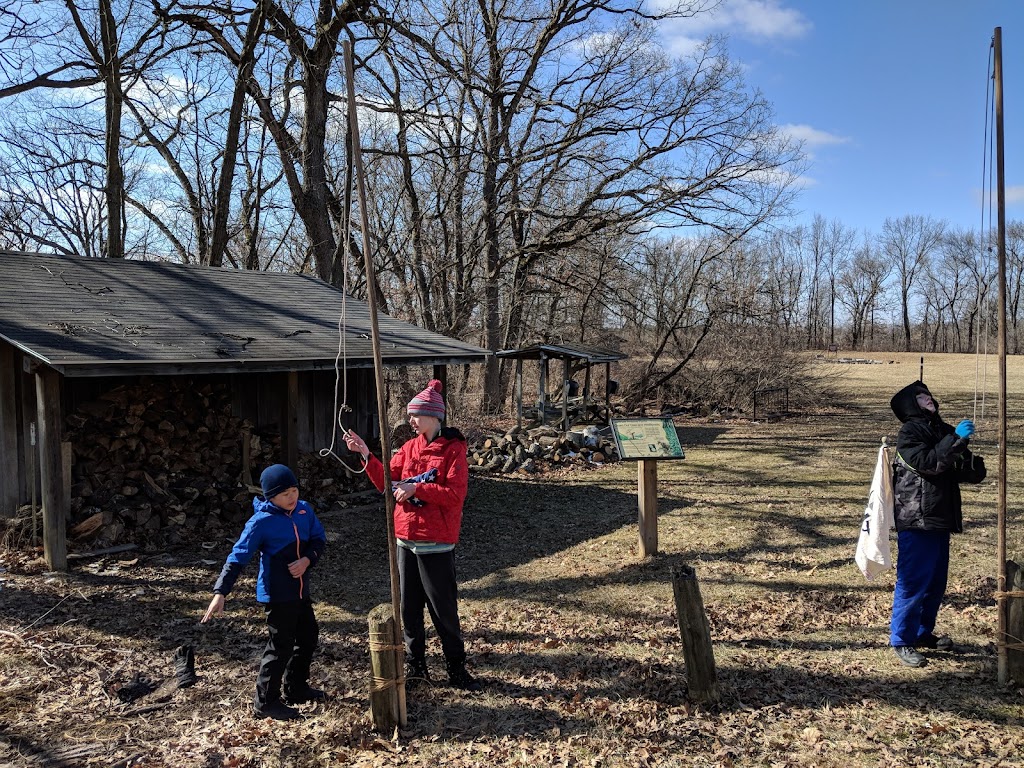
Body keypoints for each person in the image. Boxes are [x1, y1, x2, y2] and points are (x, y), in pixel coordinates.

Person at [343, 379, 482, 692]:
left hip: (436, 542)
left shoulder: (453, 449)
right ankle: (416, 666)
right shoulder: (409, 448)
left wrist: (417, 488)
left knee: (442, 609)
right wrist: (365, 454)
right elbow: (385, 482)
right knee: (409, 608)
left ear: (433, 416)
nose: (410, 420)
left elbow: (455, 494)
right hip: (406, 539)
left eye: (415, 415)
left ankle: (456, 668)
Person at [202, 463, 328, 719]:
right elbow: (237, 557)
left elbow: (319, 540)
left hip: (301, 590)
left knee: (307, 638)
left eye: (294, 490)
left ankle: (296, 687)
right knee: (280, 646)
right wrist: (221, 592)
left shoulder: (304, 511)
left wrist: (307, 560)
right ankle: (266, 701)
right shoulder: (261, 522)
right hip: (277, 593)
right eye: (285, 494)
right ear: (271, 496)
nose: (292, 497)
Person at [888, 381, 986, 668]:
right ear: (910, 405)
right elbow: (927, 463)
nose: (928, 399)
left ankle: (921, 633)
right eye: (920, 397)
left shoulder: (941, 428)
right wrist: (955, 440)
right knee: (914, 581)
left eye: (928, 395)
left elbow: (957, 470)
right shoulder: (909, 432)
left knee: (935, 583)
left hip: (940, 516)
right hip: (917, 516)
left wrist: (970, 458)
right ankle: (901, 640)